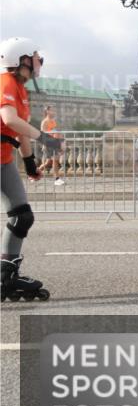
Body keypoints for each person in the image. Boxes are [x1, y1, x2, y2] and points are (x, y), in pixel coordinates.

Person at [0, 37, 62, 302]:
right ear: (21, 59)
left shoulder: (21, 88)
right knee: (19, 216)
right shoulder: (5, 82)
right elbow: (9, 119)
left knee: (22, 216)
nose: (39, 62)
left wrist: (30, 163)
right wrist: (45, 138)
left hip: (3, 160)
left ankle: (6, 275)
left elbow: (18, 129)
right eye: (35, 57)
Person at [38, 105, 65, 186]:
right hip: (49, 143)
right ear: (47, 111)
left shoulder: (53, 121)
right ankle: (57, 179)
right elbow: (42, 134)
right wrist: (44, 145)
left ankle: (33, 173)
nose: (53, 112)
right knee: (55, 160)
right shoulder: (44, 122)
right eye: (52, 110)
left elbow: (56, 132)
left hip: (54, 142)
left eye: (53, 110)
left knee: (48, 163)